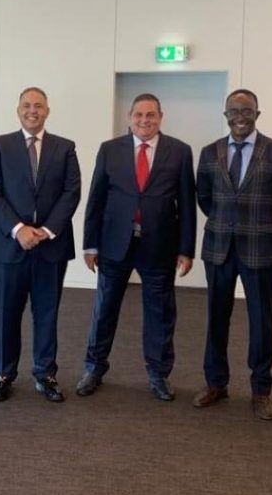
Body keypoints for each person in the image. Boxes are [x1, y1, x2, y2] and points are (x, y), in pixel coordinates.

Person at [76, 93, 195, 401]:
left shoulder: (180, 151)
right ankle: (94, 368)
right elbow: (96, 199)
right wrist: (90, 245)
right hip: (114, 243)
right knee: (105, 309)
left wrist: (186, 249)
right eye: (139, 115)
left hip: (159, 244)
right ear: (130, 117)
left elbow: (187, 204)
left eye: (151, 115)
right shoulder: (110, 149)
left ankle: (158, 373)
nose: (145, 120)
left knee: (160, 312)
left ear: (160, 117)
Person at [192, 89, 272, 420]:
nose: (240, 116)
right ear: (226, 116)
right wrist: (227, 223)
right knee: (216, 318)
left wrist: (263, 225)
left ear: (257, 114)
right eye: (234, 111)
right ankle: (216, 383)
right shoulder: (210, 152)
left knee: (261, 321)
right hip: (219, 247)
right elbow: (204, 198)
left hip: (261, 248)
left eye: (247, 110)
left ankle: (261, 390)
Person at [0, 87, 81, 403]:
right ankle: (3, 374)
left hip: (51, 247)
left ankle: (45, 373)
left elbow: (72, 192)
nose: (32, 111)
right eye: (27, 105)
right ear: (18, 110)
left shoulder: (65, 148)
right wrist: (19, 229)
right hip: (8, 247)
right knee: (7, 313)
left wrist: (47, 230)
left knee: (47, 313)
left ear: (47, 111)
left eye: (38, 106)